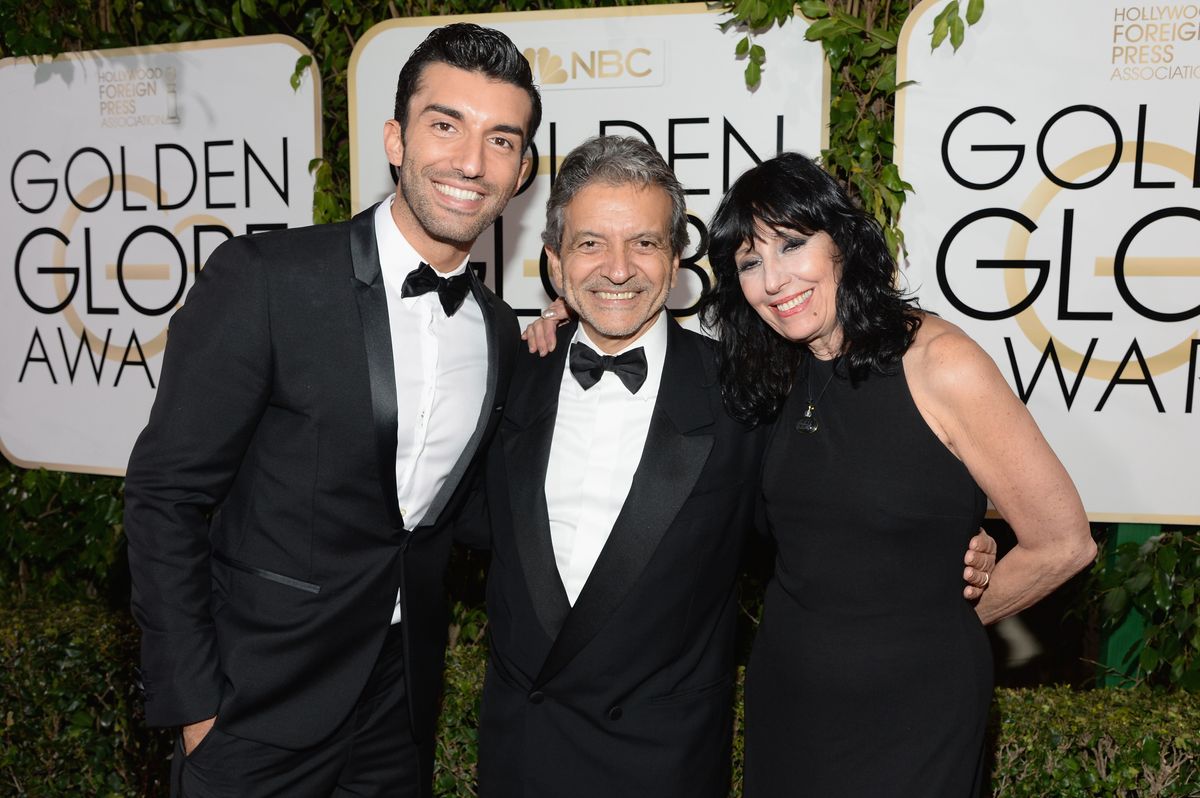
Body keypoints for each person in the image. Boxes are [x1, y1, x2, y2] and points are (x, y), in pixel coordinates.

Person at [467, 136, 996, 798]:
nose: (619, 268)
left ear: (677, 260)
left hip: (664, 767)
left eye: (646, 243)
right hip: (522, 760)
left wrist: (958, 540)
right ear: (555, 261)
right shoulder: (504, 376)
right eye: (591, 243)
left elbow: (837, 514)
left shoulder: (745, 395)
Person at [124, 23, 538, 798]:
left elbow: (466, 513)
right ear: (395, 138)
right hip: (255, 705)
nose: (471, 163)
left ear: (520, 173)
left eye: (502, 140)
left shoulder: (495, 327)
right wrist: (195, 708)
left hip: (397, 707)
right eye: (445, 125)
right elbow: (164, 495)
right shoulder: (268, 281)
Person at [700, 152, 1097, 797]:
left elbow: (1065, 542)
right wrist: (560, 323)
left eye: (793, 245)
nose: (774, 280)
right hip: (787, 699)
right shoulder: (773, 370)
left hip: (916, 713)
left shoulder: (943, 364)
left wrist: (941, 625)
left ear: (843, 244)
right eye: (750, 262)